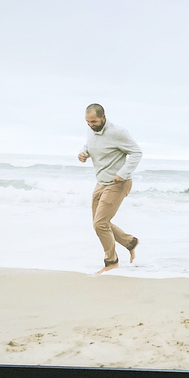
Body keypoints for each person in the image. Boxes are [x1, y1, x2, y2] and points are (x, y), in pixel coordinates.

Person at [78, 103, 142, 273]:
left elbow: (136, 152)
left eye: (94, 121)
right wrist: (84, 153)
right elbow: (90, 145)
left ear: (104, 117)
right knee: (99, 223)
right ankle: (129, 242)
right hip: (101, 182)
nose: (91, 125)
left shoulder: (118, 133)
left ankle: (111, 261)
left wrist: (123, 172)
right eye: (88, 122)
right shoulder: (90, 130)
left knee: (100, 224)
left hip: (118, 183)